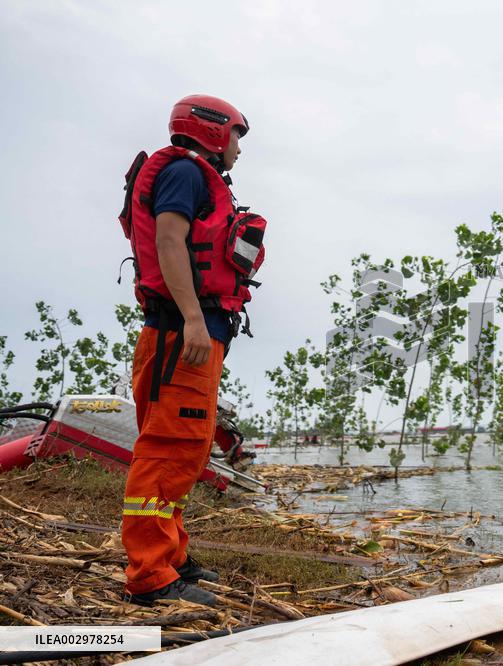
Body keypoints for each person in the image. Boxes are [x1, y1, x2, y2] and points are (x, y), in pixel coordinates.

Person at [116, 95, 267, 606]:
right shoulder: (185, 173)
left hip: (186, 335)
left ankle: (172, 557)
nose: (239, 148)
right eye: (237, 136)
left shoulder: (195, 176)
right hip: (180, 335)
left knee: (187, 449)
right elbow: (168, 241)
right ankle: (150, 576)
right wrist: (194, 319)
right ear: (214, 131)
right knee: (168, 448)